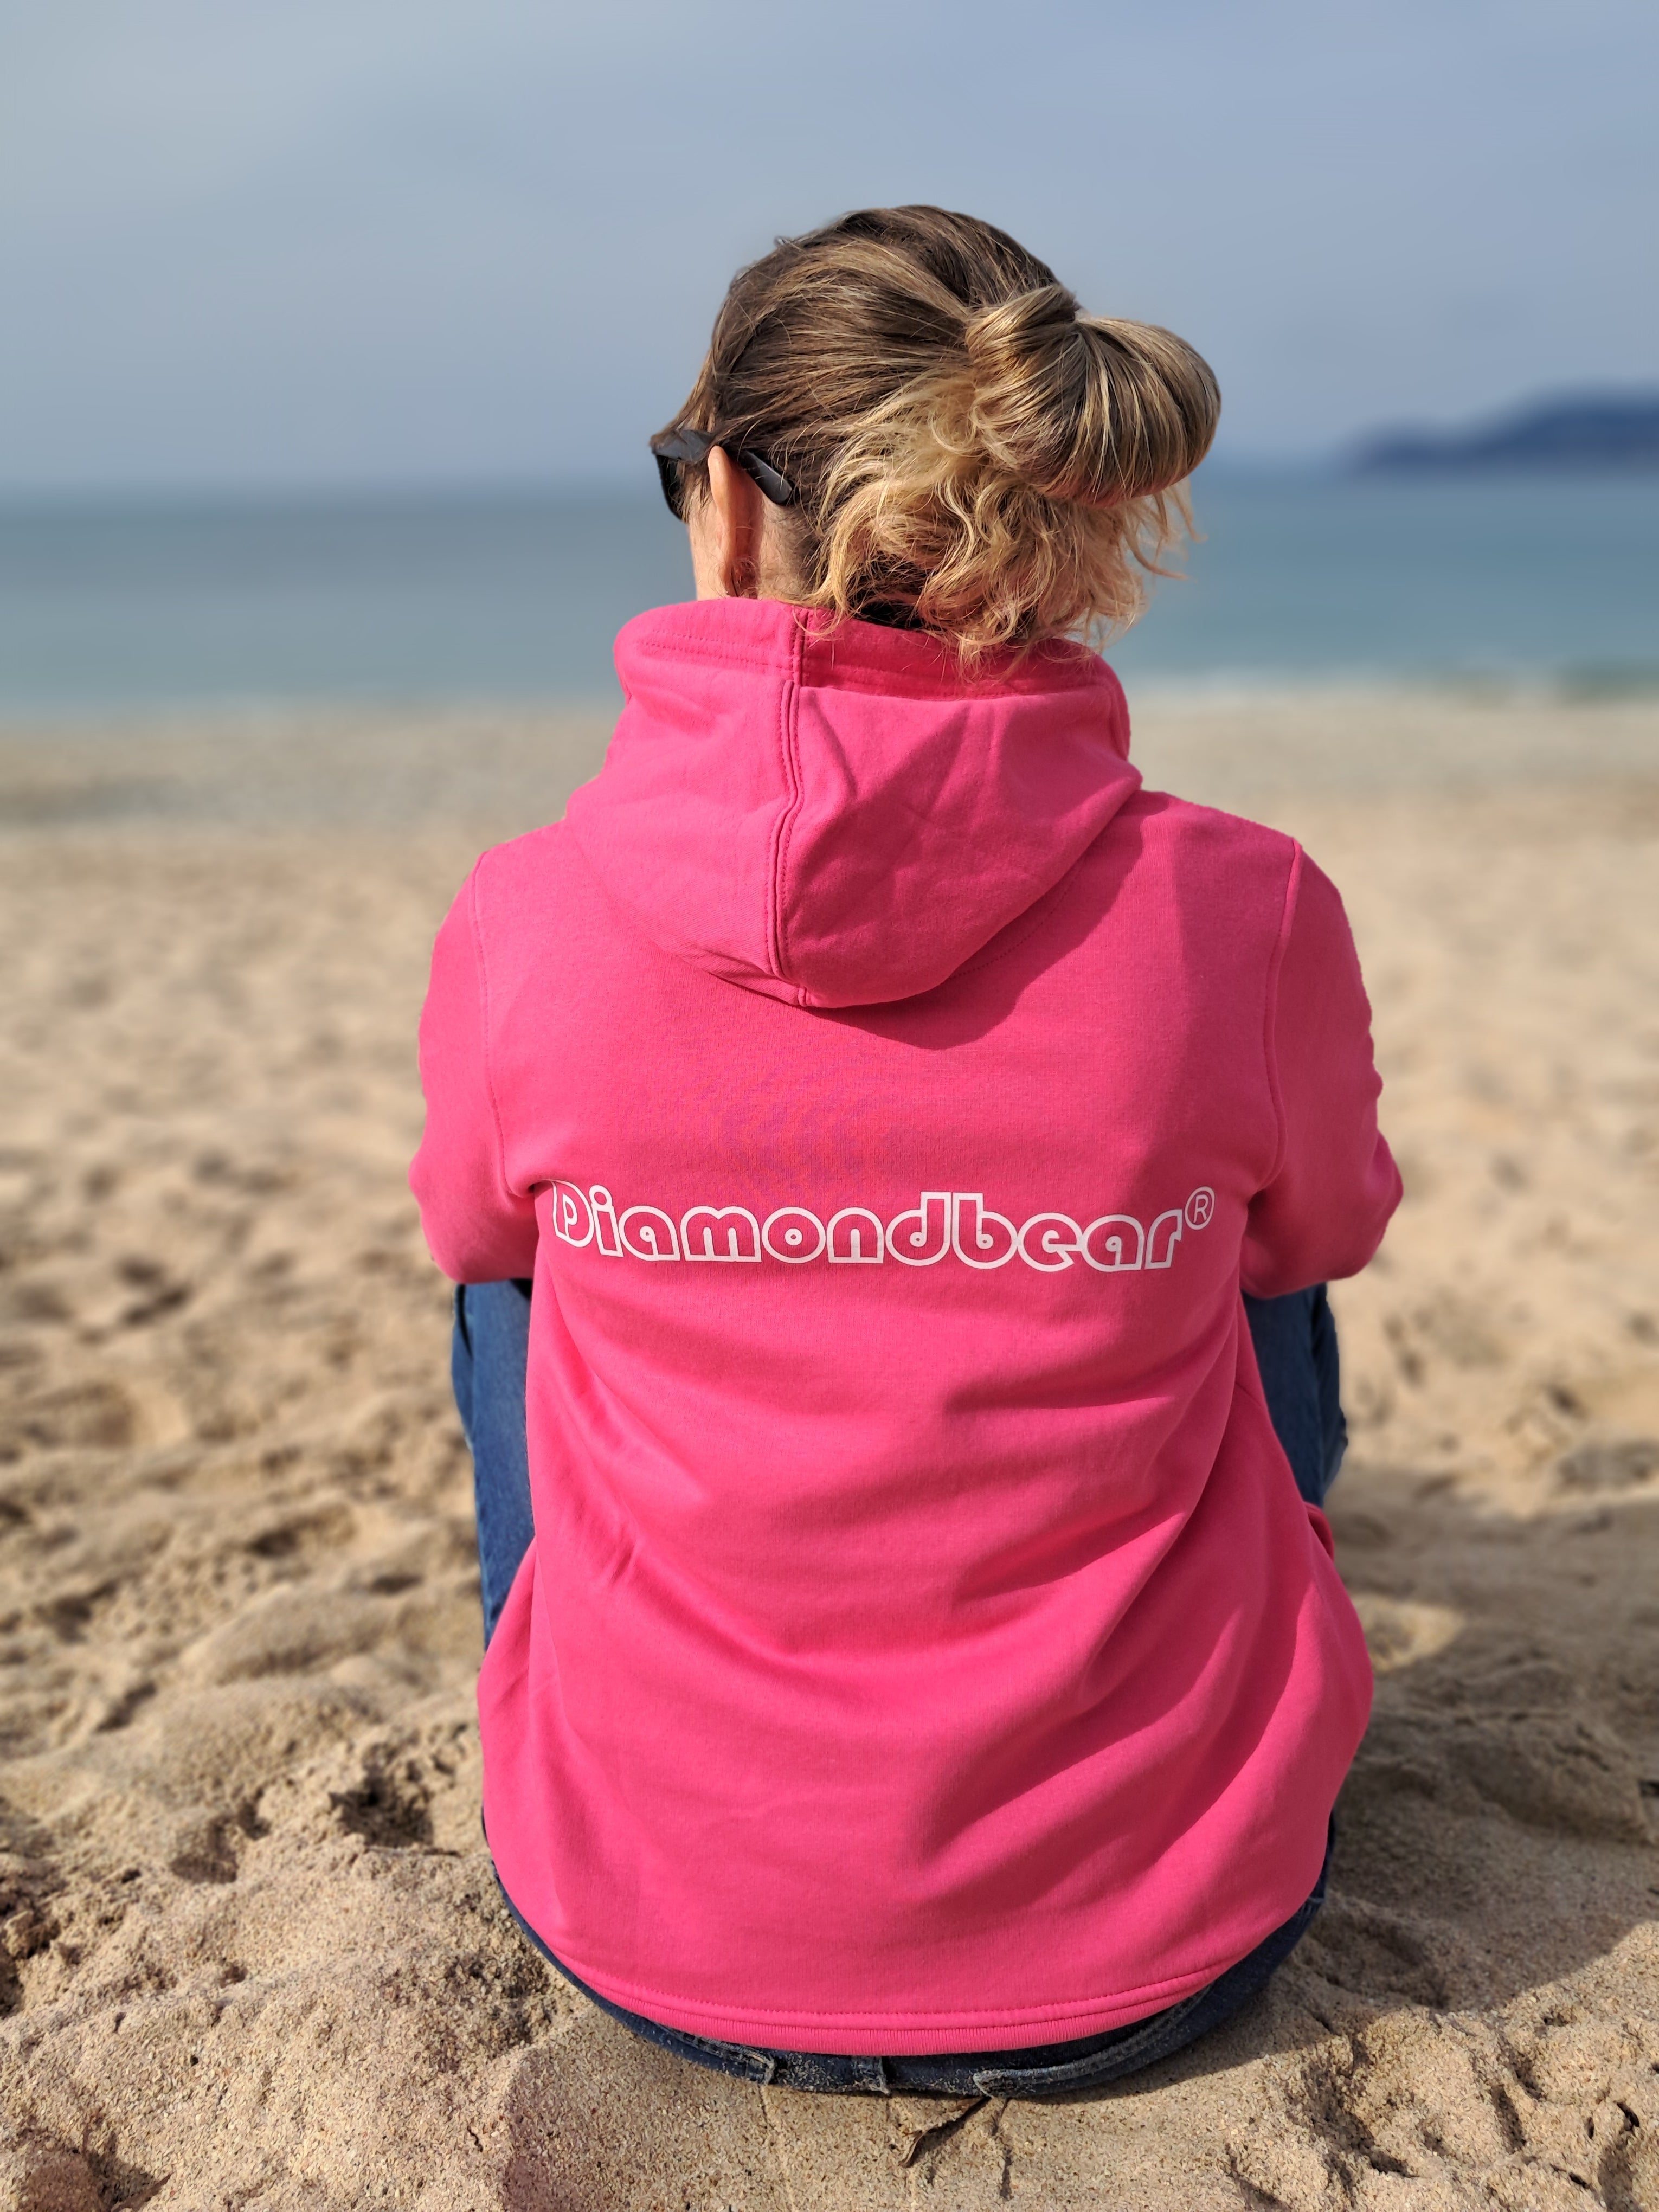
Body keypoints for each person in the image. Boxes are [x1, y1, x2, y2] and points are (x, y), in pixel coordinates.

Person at [411, 206, 1400, 2099]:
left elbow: (470, 1228)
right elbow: (1325, 1235)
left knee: (505, 1278)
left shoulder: (526, 915)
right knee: (1253, 1245)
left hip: (652, 1937)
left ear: (723, 507)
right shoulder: (1241, 903)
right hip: (1163, 1946)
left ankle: (628, 1731)